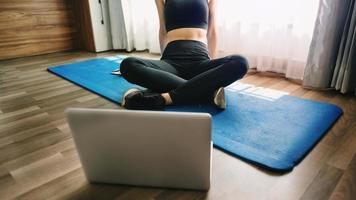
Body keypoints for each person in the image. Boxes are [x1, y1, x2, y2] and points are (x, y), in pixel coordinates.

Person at [120, 0, 248, 110]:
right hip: (171, 61)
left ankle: (164, 98)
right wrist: (160, 69)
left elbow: (212, 32)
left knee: (241, 62)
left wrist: (212, 71)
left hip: (200, 61)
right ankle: (208, 93)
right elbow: (163, 30)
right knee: (128, 64)